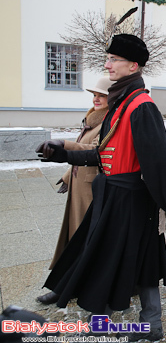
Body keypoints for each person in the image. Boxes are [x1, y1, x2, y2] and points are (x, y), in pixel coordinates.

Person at [36, 33, 166, 342]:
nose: (107, 64)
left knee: (134, 257)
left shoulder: (142, 105)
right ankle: (122, 319)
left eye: (113, 59)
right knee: (113, 255)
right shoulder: (122, 102)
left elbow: (162, 161)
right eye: (108, 58)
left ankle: (139, 322)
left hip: (131, 199)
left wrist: (159, 208)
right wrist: (63, 154)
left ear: (133, 66)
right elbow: (102, 155)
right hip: (112, 193)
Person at [35, 76, 114, 305]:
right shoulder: (93, 117)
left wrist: (65, 145)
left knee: (84, 240)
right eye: (95, 95)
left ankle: (70, 286)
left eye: (101, 95)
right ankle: (69, 283)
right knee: (74, 238)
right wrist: (68, 176)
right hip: (80, 186)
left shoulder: (108, 121)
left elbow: (96, 150)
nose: (96, 99)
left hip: (91, 190)